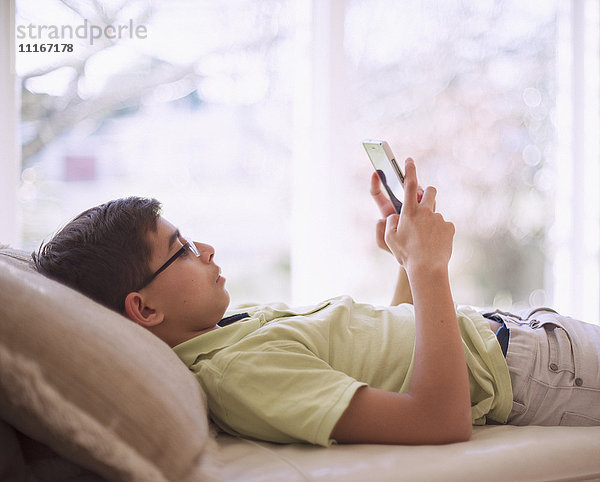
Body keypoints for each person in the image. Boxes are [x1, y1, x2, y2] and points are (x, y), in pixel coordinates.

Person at [33, 158, 600, 447]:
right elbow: (438, 418)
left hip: (531, 342)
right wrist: (430, 269)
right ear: (145, 310)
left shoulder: (232, 330)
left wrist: (406, 264)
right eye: (180, 251)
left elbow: (403, 349)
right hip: (539, 373)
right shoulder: (241, 372)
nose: (205, 248)